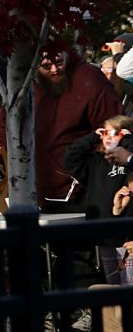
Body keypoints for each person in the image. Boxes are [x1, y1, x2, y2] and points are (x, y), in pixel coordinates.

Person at [0, 50, 122, 211]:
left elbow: (113, 124)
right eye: (46, 66)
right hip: (30, 188)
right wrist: (7, 163)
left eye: (59, 62)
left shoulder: (89, 78)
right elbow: (4, 126)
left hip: (79, 190)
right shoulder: (24, 84)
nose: (55, 70)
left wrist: (82, 157)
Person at [64, 116, 133, 285]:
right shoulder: (95, 162)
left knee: (128, 282)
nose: (109, 136)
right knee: (113, 284)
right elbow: (70, 158)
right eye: (105, 132)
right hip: (104, 235)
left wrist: (127, 141)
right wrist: (93, 136)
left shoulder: (128, 162)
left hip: (126, 237)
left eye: (115, 133)